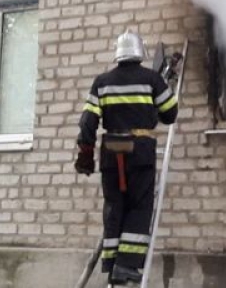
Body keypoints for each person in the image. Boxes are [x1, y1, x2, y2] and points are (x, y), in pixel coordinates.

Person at [74, 30, 178, 285]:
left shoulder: (102, 82)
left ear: (117, 53)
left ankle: (111, 264)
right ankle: (127, 265)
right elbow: (170, 114)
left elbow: (88, 122)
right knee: (139, 205)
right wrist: (151, 105)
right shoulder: (152, 79)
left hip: (111, 148)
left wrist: (86, 154)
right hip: (139, 149)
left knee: (114, 206)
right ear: (140, 52)